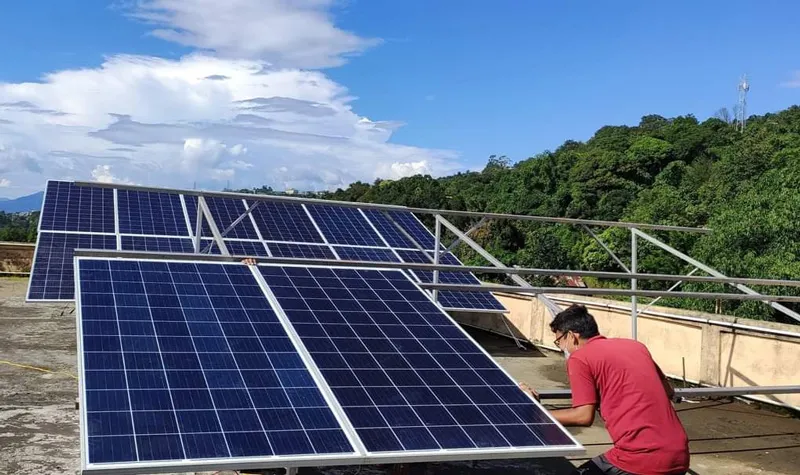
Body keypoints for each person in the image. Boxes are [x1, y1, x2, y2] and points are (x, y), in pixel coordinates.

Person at [520, 304, 690, 475]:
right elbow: (668, 391)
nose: (562, 348)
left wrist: (535, 413)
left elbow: (583, 416)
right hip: (679, 454)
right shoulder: (635, 346)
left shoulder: (580, 358)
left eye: (559, 342)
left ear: (572, 336)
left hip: (639, 457)